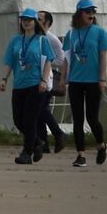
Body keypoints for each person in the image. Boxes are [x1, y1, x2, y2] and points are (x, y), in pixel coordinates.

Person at [0, 8, 60, 165]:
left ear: (35, 22)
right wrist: (4, 79)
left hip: (35, 85)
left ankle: (27, 152)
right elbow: (10, 62)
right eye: (23, 19)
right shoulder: (15, 40)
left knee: (30, 119)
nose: (26, 22)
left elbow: (48, 61)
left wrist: (44, 81)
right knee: (18, 120)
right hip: (19, 85)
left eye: (29, 19)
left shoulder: (42, 40)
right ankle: (37, 142)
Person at [63, 0, 107, 167]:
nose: (91, 14)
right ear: (79, 14)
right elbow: (67, 59)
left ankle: (101, 145)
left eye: (93, 12)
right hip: (75, 80)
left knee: (92, 117)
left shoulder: (100, 32)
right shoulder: (71, 34)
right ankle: (80, 155)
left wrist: (102, 78)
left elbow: (104, 57)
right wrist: (63, 79)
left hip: (93, 81)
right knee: (77, 118)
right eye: (87, 11)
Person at [37, 10, 69, 155]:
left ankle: (58, 134)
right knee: (40, 109)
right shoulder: (37, 37)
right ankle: (44, 142)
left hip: (49, 77)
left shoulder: (50, 38)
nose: (36, 21)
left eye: (39, 19)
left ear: (47, 23)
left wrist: (45, 61)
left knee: (41, 108)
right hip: (38, 77)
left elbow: (62, 59)